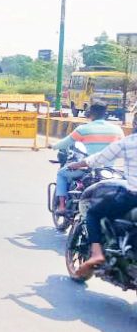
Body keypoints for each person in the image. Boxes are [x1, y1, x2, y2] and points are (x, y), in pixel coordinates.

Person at [67, 129, 137, 280]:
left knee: (93, 213)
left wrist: (76, 165)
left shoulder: (129, 142)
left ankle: (97, 253)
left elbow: (98, 159)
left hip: (132, 196)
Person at [52, 102, 123, 214]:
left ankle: (61, 206)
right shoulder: (117, 130)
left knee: (61, 173)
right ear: (105, 113)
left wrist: (52, 146)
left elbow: (65, 143)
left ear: (90, 113)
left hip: (88, 168)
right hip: (109, 170)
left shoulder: (83, 129)